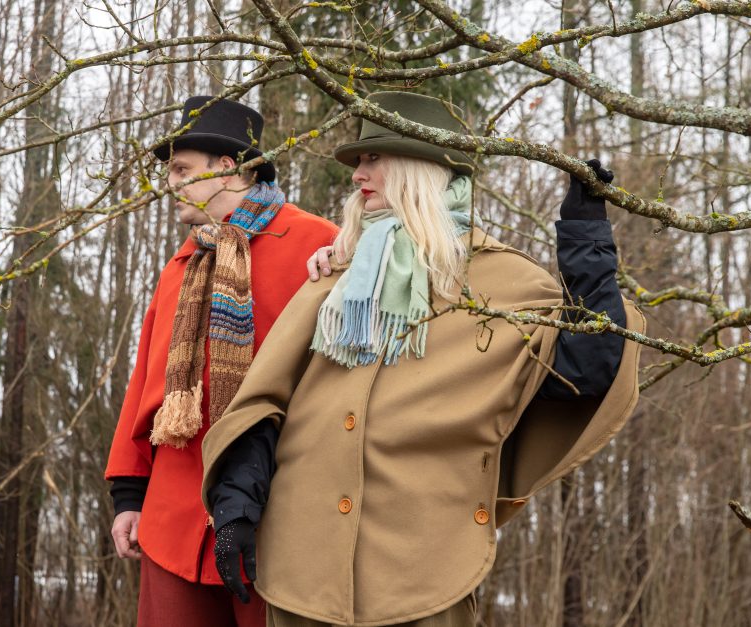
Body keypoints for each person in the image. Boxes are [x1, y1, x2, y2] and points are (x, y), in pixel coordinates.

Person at [199, 91, 644, 627]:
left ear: (422, 166)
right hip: (302, 569)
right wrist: (238, 504)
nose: (358, 174)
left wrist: (584, 238)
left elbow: (589, 367)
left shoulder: (500, 282)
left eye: (374, 158)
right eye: (358, 160)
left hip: (424, 575)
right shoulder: (339, 271)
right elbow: (270, 399)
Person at [105, 95, 339, 627]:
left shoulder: (318, 247)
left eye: (182, 169)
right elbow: (145, 384)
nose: (170, 183)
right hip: (171, 523)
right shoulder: (182, 265)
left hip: (276, 522)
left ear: (227, 167)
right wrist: (129, 495)